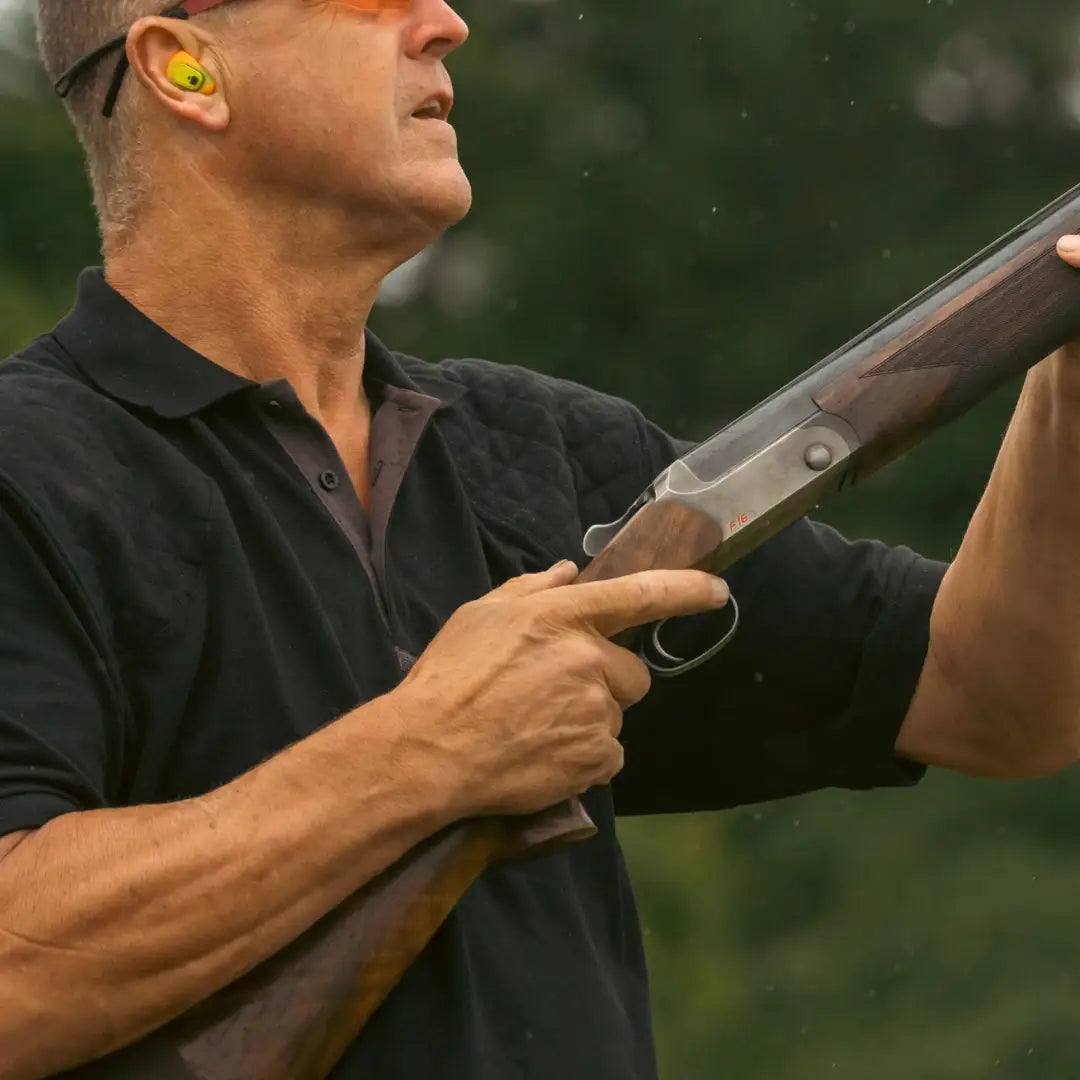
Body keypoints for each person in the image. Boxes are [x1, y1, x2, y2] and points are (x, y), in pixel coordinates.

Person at [3, 1, 1080, 1077]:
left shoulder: (538, 450)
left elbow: (993, 699)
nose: (445, 23)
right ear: (185, 70)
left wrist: (1064, 366)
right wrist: (428, 754)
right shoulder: (30, 470)